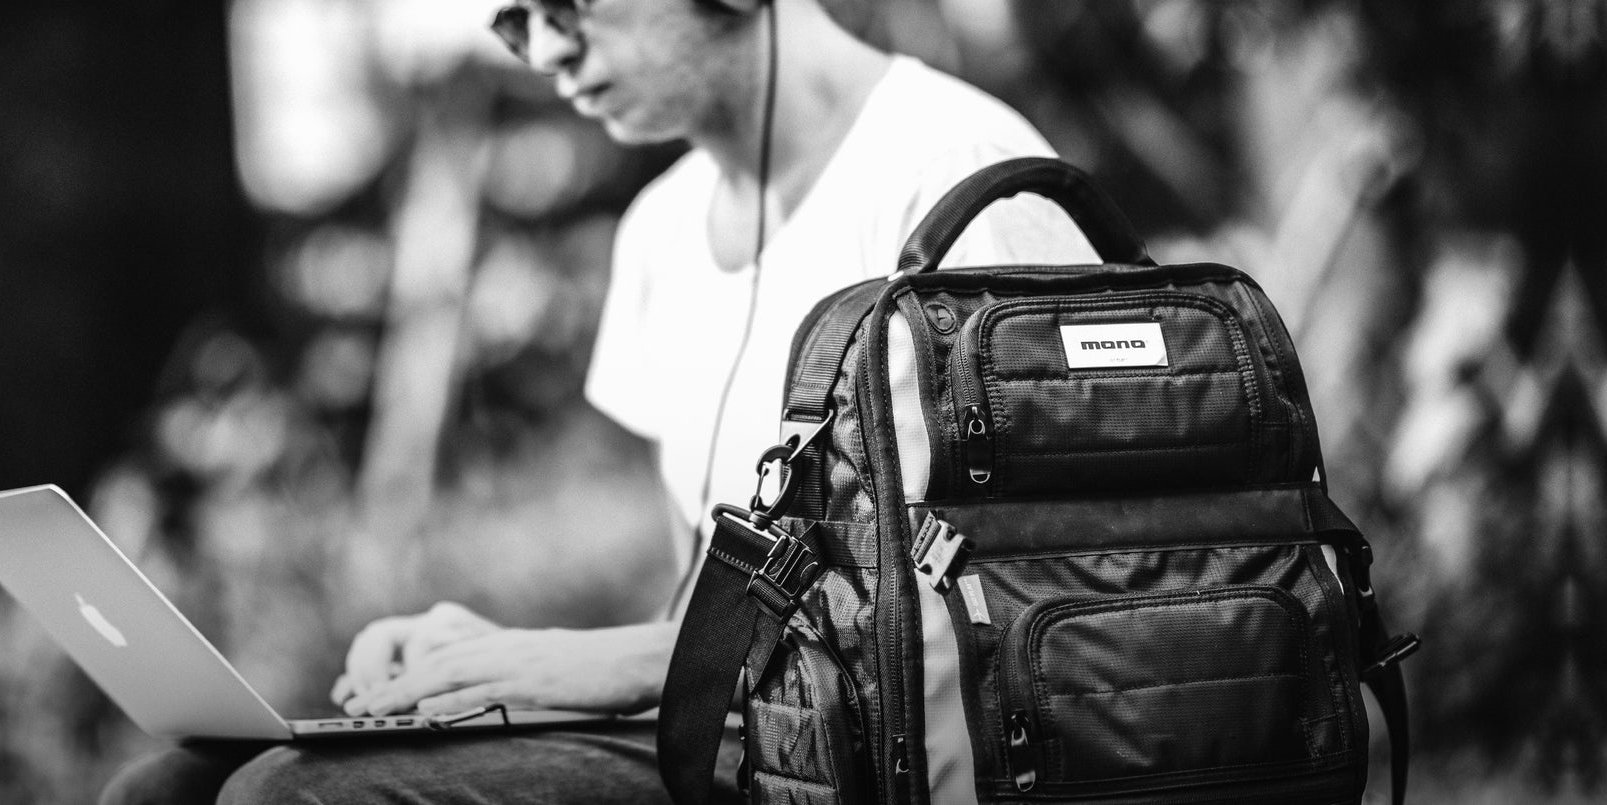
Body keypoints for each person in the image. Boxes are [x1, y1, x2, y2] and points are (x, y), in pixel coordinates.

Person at [101, 0, 1095, 801]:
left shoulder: (961, 182)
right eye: (510, 22)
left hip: (883, 767)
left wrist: (599, 664)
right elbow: (700, 607)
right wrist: (495, 667)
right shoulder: (658, 233)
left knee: (284, 796)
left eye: (562, 8)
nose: (541, 50)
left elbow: (1031, 592)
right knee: (174, 785)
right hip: (736, 738)